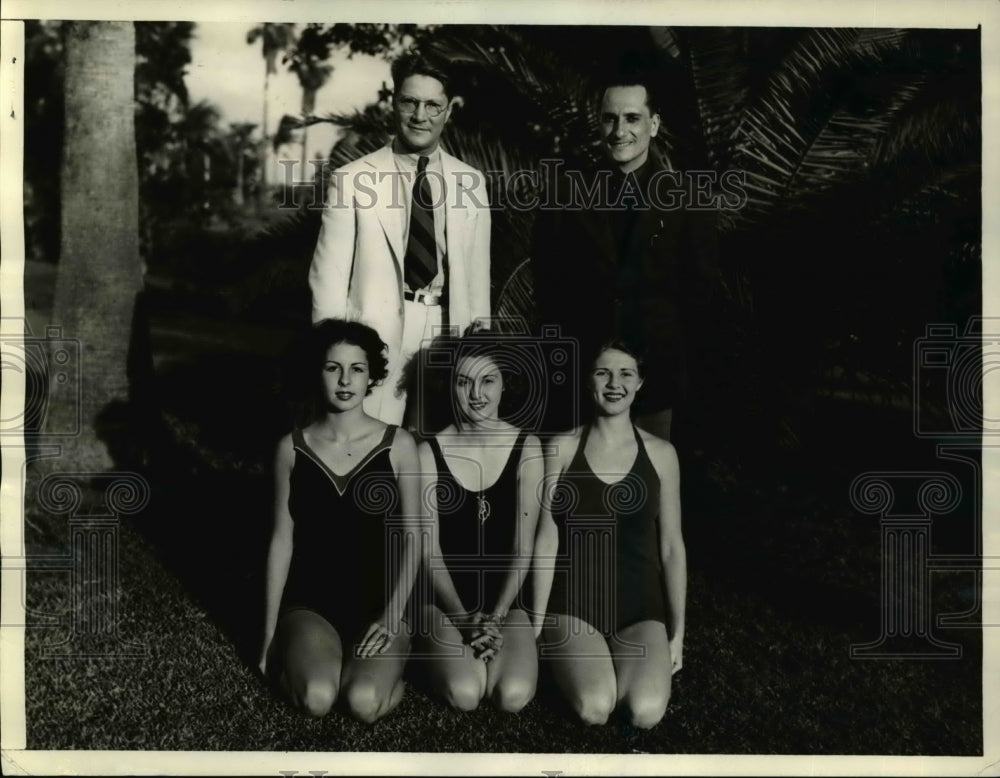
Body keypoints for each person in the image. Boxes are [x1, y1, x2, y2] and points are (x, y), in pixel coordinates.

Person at [530, 72, 718, 440]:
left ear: (654, 124)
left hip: (656, 380)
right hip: (579, 378)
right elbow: (548, 290)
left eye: (632, 118)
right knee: (577, 487)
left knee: (647, 487)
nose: (619, 131)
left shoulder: (690, 200)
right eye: (609, 118)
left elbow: (700, 296)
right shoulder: (564, 195)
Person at [309, 52, 492, 427]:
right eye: (409, 102)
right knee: (371, 443)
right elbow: (328, 280)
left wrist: (479, 349)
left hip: (447, 331)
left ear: (449, 111)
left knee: (435, 449)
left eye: (432, 105)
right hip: (374, 334)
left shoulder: (470, 182)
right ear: (394, 103)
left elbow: (477, 280)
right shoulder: (353, 179)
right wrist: (335, 358)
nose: (419, 115)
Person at [258, 319, 422, 723]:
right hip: (312, 603)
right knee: (316, 698)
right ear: (317, 372)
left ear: (372, 378)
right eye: (333, 368)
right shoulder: (290, 449)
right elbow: (282, 540)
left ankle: (392, 668)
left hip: (380, 603)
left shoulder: (399, 445)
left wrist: (392, 613)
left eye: (357, 369)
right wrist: (267, 637)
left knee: (363, 703)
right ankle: (307, 658)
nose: (345, 380)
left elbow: (415, 538)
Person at [532, 340, 686, 728]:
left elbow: (671, 547)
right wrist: (536, 625)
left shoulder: (662, 454)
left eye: (625, 374)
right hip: (574, 605)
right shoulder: (562, 448)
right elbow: (547, 538)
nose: (614, 383)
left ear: (639, 384)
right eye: (603, 372)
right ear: (588, 382)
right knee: (594, 707)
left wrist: (678, 632)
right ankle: (572, 658)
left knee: (644, 713)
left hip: (639, 607)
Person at [413, 333, 542, 712]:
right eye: (463, 381)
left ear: (505, 383)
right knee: (465, 693)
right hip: (441, 603)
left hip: (505, 602)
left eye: (488, 380)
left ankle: (490, 639)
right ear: (449, 384)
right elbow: (428, 548)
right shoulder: (427, 451)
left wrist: (497, 616)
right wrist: (463, 619)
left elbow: (523, 547)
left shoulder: (527, 447)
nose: (476, 394)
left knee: (511, 696)